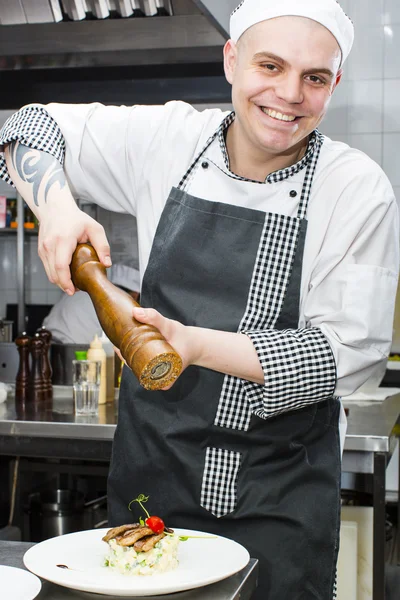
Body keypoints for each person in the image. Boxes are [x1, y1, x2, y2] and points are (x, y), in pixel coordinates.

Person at [0, 1, 398, 597]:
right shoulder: (169, 139)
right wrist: (57, 208)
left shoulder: (355, 187)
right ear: (231, 60)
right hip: (153, 479)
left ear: (333, 84)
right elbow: (25, 126)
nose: (289, 94)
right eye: (270, 65)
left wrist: (192, 344)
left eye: (314, 78)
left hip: (279, 499)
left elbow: (348, 355)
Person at [42, 263, 140, 344]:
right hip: (71, 351)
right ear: (135, 294)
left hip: (42, 343)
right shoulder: (116, 302)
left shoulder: (87, 288)